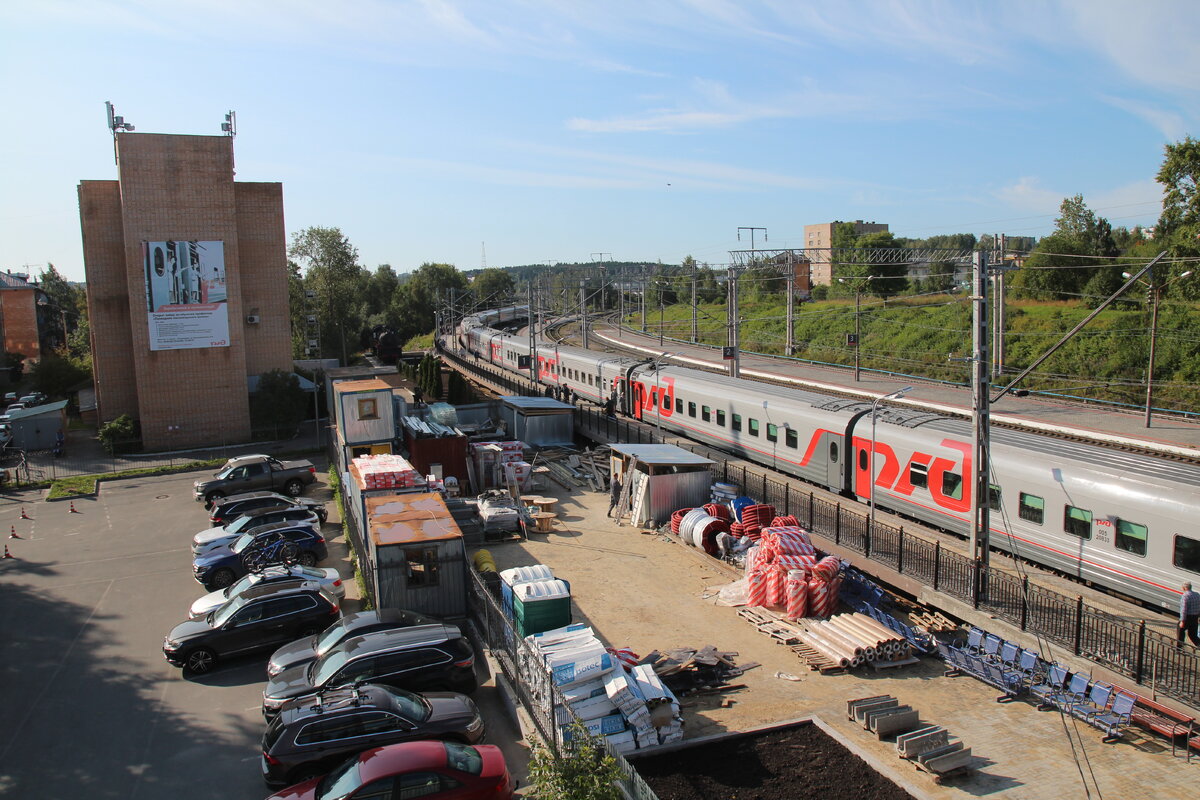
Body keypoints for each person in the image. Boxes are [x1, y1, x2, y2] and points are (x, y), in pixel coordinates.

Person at [1179, 582, 1200, 649]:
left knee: (1180, 632)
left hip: (1187, 618)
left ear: (1184, 588)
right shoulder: (1197, 595)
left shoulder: (1185, 596)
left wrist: (1182, 621)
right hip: (1195, 618)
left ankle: (1179, 648)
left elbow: (1184, 609)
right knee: (1193, 635)